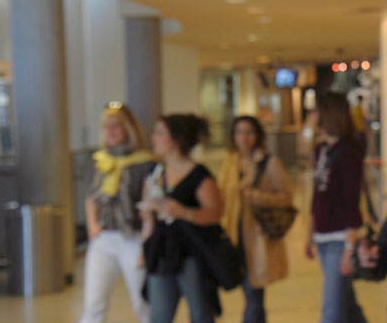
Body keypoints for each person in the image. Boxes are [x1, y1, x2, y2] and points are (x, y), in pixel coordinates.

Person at [141, 114, 224, 323]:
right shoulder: (155, 172)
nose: (154, 138)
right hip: (161, 250)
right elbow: (148, 217)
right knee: (159, 314)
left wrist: (185, 212)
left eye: (160, 133)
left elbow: (215, 213)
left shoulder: (199, 174)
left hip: (192, 251)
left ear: (177, 139)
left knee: (200, 312)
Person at [80, 103, 156, 323]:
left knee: (143, 304)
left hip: (133, 238)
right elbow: (91, 196)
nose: (110, 132)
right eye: (106, 127)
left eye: (116, 127)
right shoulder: (99, 161)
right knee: (93, 305)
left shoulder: (145, 163)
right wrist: (93, 226)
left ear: (129, 129)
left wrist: (145, 243)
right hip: (104, 239)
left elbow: (149, 205)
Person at [220, 116, 293, 323]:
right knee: (250, 295)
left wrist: (258, 197)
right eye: (239, 132)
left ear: (258, 135)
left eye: (249, 132)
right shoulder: (230, 163)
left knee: (254, 296)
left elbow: (287, 197)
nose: (244, 138)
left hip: (257, 239)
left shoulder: (269, 163)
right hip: (233, 236)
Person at [305, 93, 367, 323]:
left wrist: (350, 249)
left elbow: (352, 201)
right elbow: (317, 195)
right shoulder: (321, 149)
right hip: (322, 235)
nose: (312, 116)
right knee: (347, 304)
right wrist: (309, 232)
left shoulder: (349, 152)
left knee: (332, 311)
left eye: (316, 111)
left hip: (341, 239)